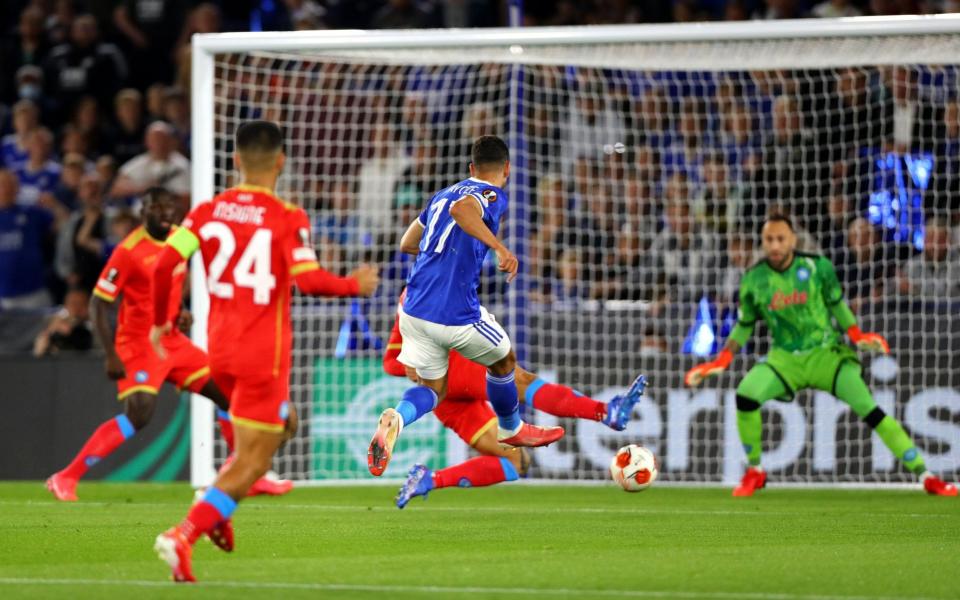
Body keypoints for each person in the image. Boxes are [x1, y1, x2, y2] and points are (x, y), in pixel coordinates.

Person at [149, 121, 379, 583]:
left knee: (283, 425)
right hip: (262, 357)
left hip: (221, 353)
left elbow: (164, 265)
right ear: (281, 161)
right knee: (255, 462)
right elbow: (310, 280)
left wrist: (160, 322)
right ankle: (186, 531)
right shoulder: (287, 216)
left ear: (235, 160)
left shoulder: (207, 212)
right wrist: (356, 284)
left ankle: (218, 509)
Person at [684, 214, 956, 497]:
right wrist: (722, 360)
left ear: (792, 240)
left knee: (871, 410)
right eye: (769, 239)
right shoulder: (754, 279)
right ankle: (755, 471)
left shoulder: (817, 268)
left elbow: (837, 305)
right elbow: (744, 325)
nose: (775, 245)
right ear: (762, 242)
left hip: (827, 355)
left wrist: (857, 335)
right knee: (746, 396)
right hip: (785, 359)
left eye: (780, 238)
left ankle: (927, 476)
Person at [367, 135, 563, 479]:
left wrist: (438, 256)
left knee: (434, 390)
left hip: (413, 307)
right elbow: (463, 211)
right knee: (504, 360)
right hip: (452, 309)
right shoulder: (491, 194)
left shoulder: (441, 196)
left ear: (471, 167)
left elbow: (407, 242)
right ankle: (511, 428)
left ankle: (397, 417)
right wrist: (498, 248)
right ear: (507, 169)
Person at [45, 188, 244, 502]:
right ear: (143, 213)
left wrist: (178, 314)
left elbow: (170, 283)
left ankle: (235, 473)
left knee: (229, 393)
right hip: (138, 343)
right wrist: (109, 353)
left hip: (172, 340)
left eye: (170, 208)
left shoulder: (181, 238)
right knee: (139, 414)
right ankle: (66, 477)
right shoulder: (129, 251)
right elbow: (99, 302)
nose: (166, 214)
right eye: (157, 209)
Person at [380, 291, 646, 508]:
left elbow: (391, 360)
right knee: (517, 380)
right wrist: (407, 365)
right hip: (453, 369)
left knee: (517, 462)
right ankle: (605, 411)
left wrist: (406, 364)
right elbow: (392, 362)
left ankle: (429, 479)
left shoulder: (414, 291)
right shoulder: (431, 284)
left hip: (445, 398)